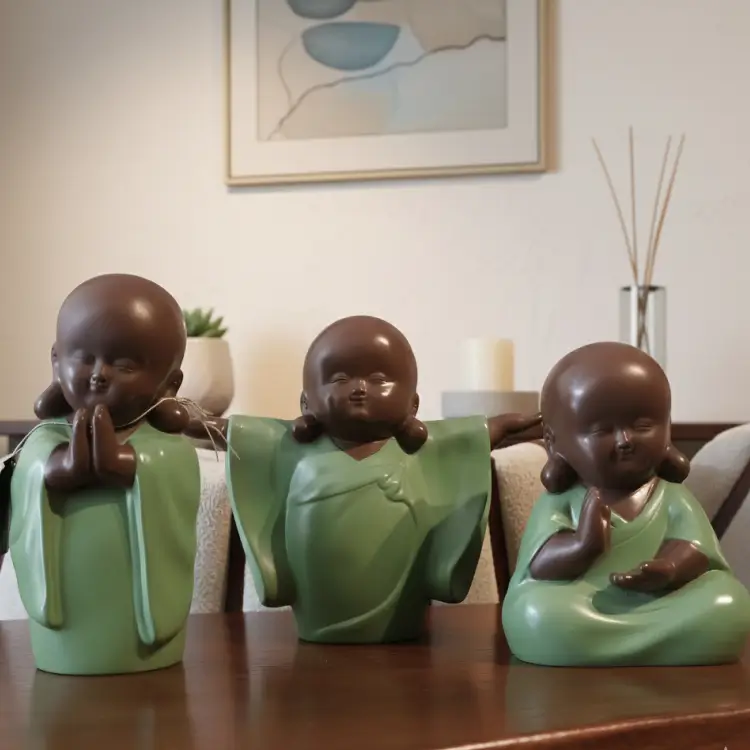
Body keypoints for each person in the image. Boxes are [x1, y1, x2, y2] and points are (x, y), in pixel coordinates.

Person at [193, 315, 540, 643]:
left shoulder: (421, 449)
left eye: (378, 379)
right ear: (305, 403)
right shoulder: (291, 447)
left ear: (413, 404)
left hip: (402, 610)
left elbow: (474, 436)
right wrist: (187, 419)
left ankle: (400, 617)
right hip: (317, 600)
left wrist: (515, 424)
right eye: (340, 379)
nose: (359, 389)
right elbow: (236, 434)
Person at [502, 341, 750, 666]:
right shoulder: (562, 502)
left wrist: (670, 568)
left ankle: (608, 645)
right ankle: (657, 643)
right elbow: (539, 565)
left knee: (727, 600)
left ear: (667, 427)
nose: (625, 440)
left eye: (642, 426)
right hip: (581, 601)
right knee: (536, 610)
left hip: (661, 599)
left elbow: (697, 547)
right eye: (602, 430)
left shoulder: (672, 497)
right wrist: (581, 546)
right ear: (554, 441)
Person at [9, 273, 201, 675]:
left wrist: (129, 464)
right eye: (83, 357)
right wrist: (57, 469)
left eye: (124, 365)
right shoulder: (44, 440)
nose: (99, 374)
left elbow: (176, 471)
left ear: (170, 383)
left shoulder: (166, 449)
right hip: (65, 602)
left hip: (139, 616)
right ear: (56, 361)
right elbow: (29, 471)